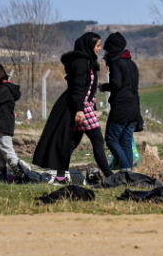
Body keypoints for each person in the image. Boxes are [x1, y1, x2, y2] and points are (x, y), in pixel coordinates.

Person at [33, 32, 114, 182]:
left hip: (85, 106)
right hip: (81, 107)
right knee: (97, 140)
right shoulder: (81, 63)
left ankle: (60, 176)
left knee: (71, 143)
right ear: (89, 46)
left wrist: (94, 107)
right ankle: (110, 177)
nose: (99, 48)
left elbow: (89, 88)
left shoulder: (88, 62)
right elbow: (77, 89)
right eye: (97, 45)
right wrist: (79, 110)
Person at [99, 32, 143, 172]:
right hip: (134, 108)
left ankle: (125, 171)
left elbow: (116, 84)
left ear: (112, 49)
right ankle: (128, 175)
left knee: (111, 139)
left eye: (107, 49)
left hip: (121, 108)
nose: (105, 52)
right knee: (125, 142)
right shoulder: (131, 63)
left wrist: (103, 86)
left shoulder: (116, 62)